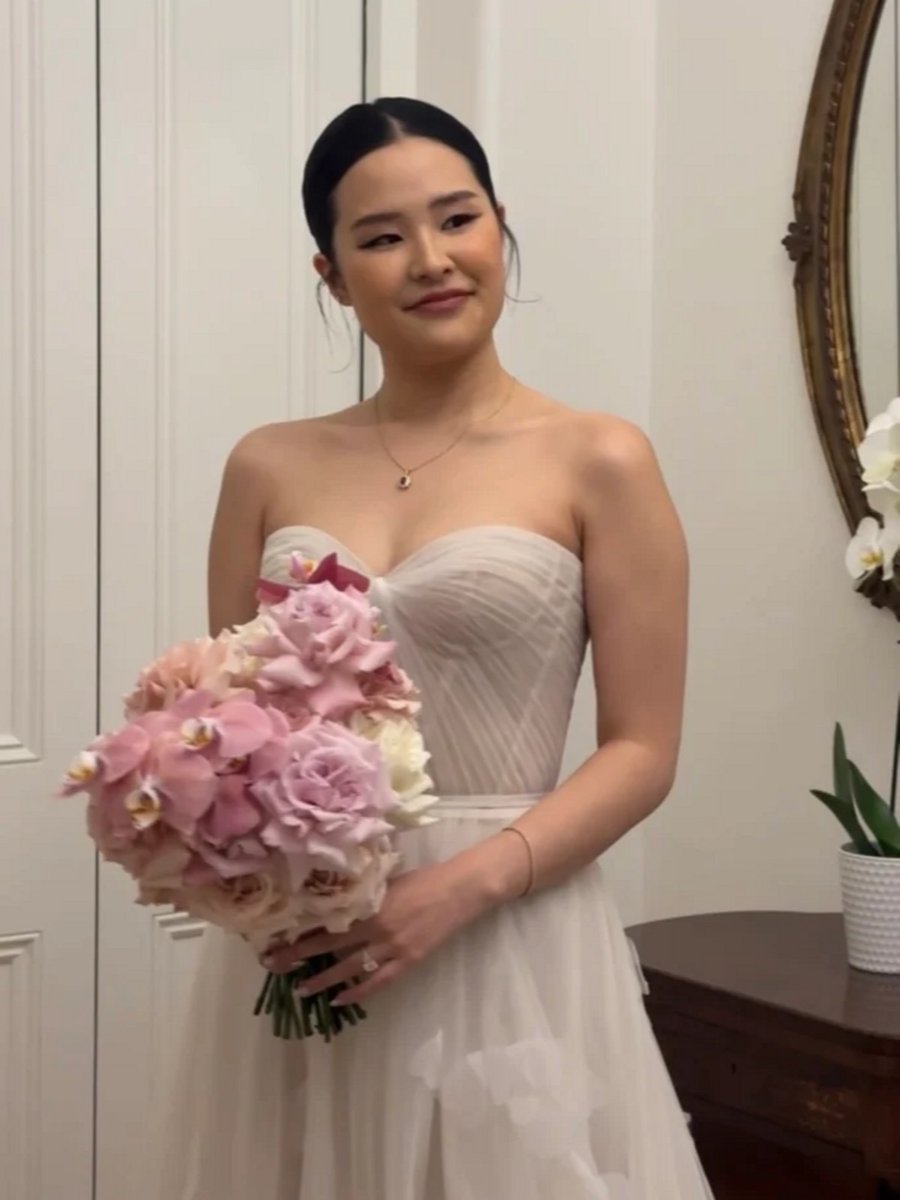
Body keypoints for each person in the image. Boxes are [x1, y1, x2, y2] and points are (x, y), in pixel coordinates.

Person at [152, 96, 713, 1199]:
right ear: (330, 274)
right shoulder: (266, 465)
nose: (430, 259)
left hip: (513, 940)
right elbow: (228, 725)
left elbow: (644, 748)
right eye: (381, 236)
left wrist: (454, 890)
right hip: (312, 949)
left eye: (457, 219)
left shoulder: (599, 457)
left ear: (500, 226)